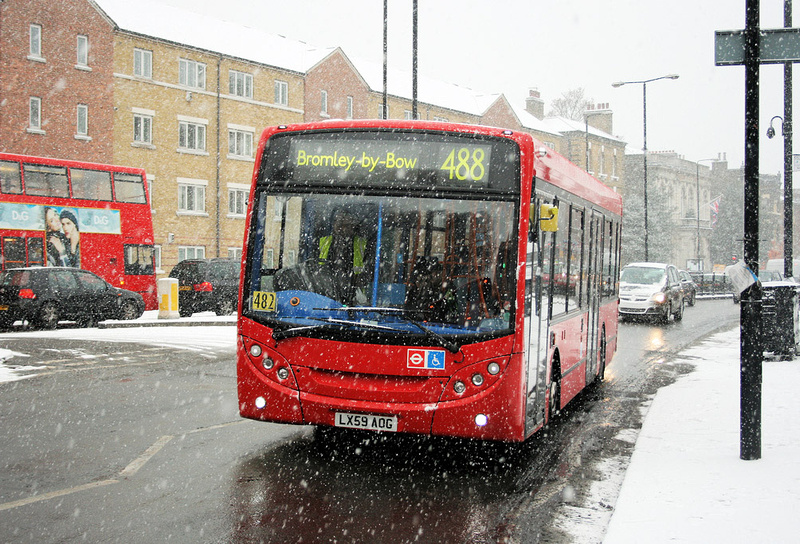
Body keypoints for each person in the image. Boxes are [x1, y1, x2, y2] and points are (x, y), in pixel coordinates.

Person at [318, 209, 367, 303]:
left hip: (356, 295)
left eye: (347, 225)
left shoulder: (362, 244)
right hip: (326, 293)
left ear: (353, 227)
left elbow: (368, 271)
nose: (343, 229)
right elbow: (316, 267)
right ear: (334, 225)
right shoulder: (323, 242)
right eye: (340, 224)